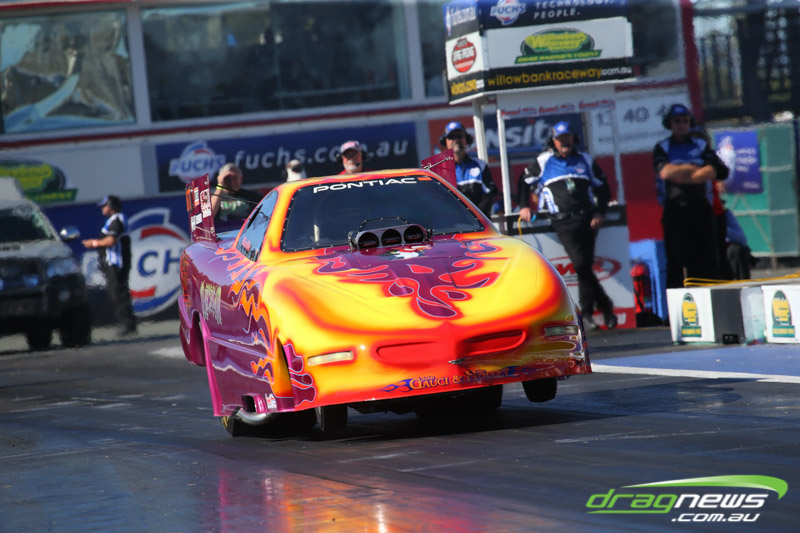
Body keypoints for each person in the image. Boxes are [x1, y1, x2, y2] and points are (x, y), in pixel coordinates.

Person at [517, 121, 617, 331]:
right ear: (553, 142)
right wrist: (524, 205)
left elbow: (603, 188)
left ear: (574, 139)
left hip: (587, 220)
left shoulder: (585, 160)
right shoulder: (544, 161)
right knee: (581, 265)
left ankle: (601, 310)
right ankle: (594, 311)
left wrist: (600, 212)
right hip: (562, 221)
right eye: (560, 139)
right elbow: (523, 181)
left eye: (568, 138)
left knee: (584, 267)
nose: (565, 142)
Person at [653, 104, 729, 288]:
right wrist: (695, 169)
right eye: (677, 121)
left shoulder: (701, 145)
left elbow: (717, 171)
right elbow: (665, 172)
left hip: (701, 209)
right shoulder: (662, 147)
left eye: (685, 121)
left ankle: (709, 300)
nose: (681, 125)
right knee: (676, 262)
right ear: (670, 123)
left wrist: (683, 176)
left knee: (708, 260)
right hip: (675, 209)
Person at [82, 195, 136, 335]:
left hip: (116, 262)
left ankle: (128, 324)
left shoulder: (117, 219)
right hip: (111, 263)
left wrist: (94, 243)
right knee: (116, 293)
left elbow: (111, 240)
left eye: (105, 205)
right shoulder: (112, 220)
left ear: (112, 206)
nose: (102, 208)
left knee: (118, 292)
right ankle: (127, 323)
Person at [438, 121, 497, 216]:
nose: (456, 140)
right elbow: (439, 201)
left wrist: (475, 218)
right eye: (451, 137)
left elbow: (488, 195)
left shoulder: (480, 165)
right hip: (453, 222)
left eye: (459, 136)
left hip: (479, 221)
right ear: (445, 141)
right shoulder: (439, 170)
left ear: (467, 140)